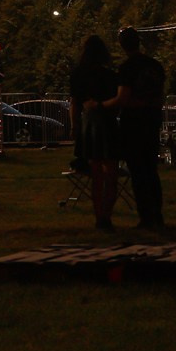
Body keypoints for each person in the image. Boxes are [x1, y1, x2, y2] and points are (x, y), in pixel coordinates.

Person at [110, 28, 168, 229]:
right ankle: (157, 213)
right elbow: (160, 95)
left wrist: (102, 105)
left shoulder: (127, 68)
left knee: (137, 170)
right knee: (151, 169)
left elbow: (123, 98)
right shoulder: (154, 65)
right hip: (152, 119)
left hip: (133, 122)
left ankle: (146, 215)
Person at [67, 35, 120, 230]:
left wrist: (74, 126)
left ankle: (99, 215)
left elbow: (75, 103)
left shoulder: (78, 75)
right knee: (111, 173)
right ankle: (106, 214)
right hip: (108, 122)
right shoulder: (110, 76)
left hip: (89, 124)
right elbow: (117, 103)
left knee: (96, 173)